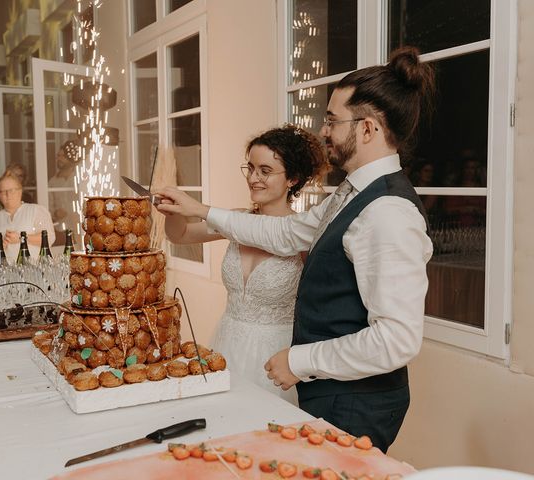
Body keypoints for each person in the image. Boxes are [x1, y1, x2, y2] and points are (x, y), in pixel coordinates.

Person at [157, 46, 435, 452]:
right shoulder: (351, 193)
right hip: (330, 391)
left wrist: (299, 361)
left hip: (357, 403)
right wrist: (200, 209)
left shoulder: (388, 211)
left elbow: (396, 340)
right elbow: (285, 234)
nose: (323, 132)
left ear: (368, 129)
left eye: (332, 121)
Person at [163, 125, 327, 403]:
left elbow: (319, 305)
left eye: (265, 171)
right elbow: (179, 234)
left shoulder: (303, 236)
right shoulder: (238, 221)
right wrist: (172, 208)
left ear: (293, 179)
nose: (253, 178)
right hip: (227, 342)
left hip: (276, 354)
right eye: (250, 168)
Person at [0, 172, 55, 261]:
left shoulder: (36, 210)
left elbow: (49, 237)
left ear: (20, 191)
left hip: (34, 269)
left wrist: (22, 238)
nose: (8, 195)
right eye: (3, 192)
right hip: (4, 271)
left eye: (12, 190)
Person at [48, 141, 80, 243]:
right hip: (60, 231)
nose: (59, 158)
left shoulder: (80, 178)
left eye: (63, 156)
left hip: (79, 228)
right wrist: (55, 214)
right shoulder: (52, 182)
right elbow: (49, 206)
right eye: (58, 156)